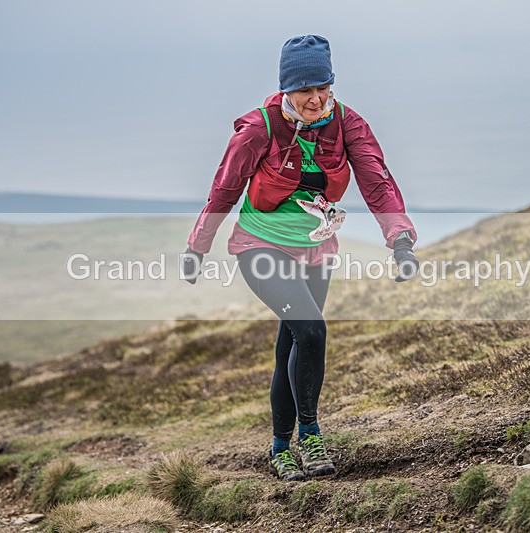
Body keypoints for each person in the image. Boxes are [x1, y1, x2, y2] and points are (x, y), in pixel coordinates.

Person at [182, 35, 419, 481]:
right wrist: (198, 245)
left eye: (322, 87)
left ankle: (278, 447)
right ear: (286, 89)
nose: (315, 99)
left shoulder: (348, 123)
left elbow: (377, 181)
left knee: (293, 341)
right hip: (261, 246)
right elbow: (225, 188)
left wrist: (400, 239)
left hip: (317, 247)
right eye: (304, 89)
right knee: (311, 331)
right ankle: (309, 436)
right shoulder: (259, 128)